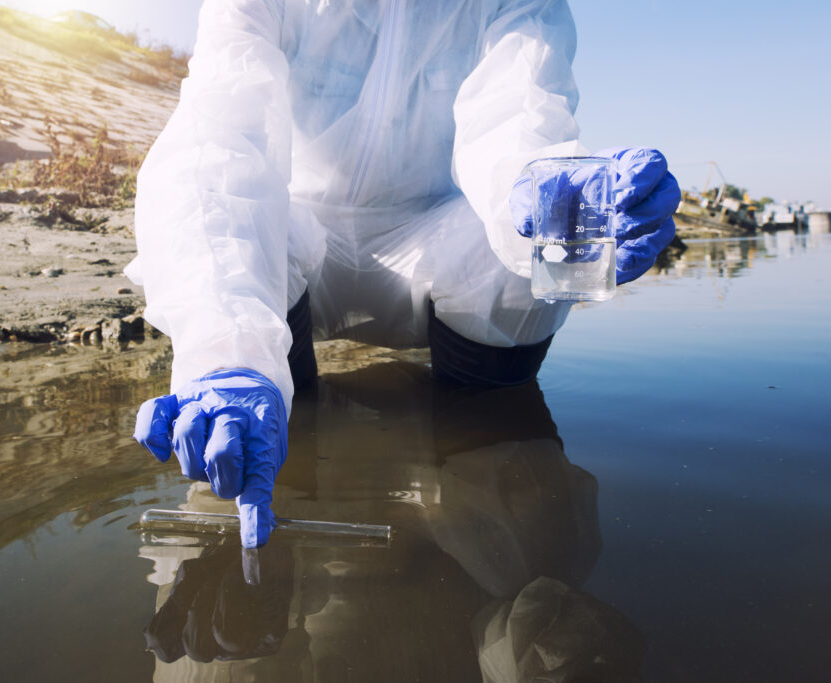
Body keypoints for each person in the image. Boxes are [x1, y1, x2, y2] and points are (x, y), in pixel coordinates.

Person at [127, 0, 680, 547]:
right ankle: (255, 386)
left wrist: (558, 196)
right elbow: (223, 134)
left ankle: (487, 470)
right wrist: (224, 351)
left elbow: (517, 119)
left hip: (435, 235)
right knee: (219, 214)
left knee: (530, 249)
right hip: (298, 234)